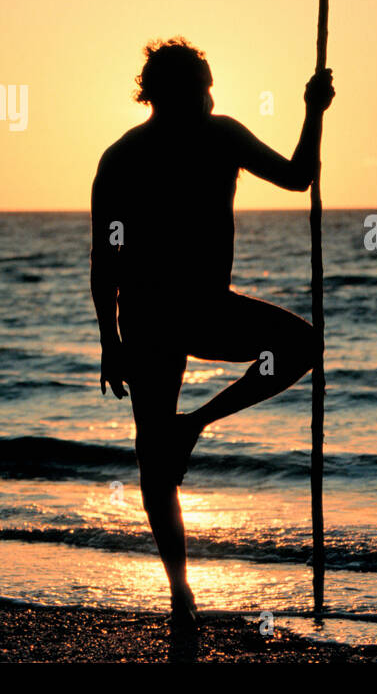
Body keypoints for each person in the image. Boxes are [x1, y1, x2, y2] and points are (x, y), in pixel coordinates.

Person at [90, 37, 334, 634]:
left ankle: (193, 423)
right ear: (170, 93)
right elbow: (105, 258)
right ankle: (181, 595)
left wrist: (313, 110)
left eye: (211, 85)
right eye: (204, 85)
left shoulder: (220, 136)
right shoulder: (122, 159)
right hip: (150, 319)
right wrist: (110, 342)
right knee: (152, 461)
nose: (212, 94)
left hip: (196, 310)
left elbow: (298, 177)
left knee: (301, 344)